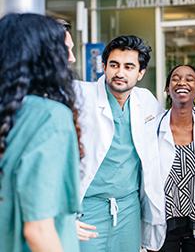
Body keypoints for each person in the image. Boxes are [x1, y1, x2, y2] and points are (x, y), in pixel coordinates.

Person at [0, 13, 82, 251]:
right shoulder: (49, 117)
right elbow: (38, 230)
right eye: (63, 50)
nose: (72, 58)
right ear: (44, 57)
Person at [74, 35, 165, 251]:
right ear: (104, 67)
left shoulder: (147, 101)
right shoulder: (81, 96)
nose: (120, 73)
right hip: (88, 206)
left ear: (140, 73)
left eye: (129, 67)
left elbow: (171, 128)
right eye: (114, 65)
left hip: (129, 207)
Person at [145, 65, 195, 251]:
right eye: (175, 78)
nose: (182, 82)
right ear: (168, 89)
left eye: (189, 79)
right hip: (164, 224)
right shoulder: (152, 128)